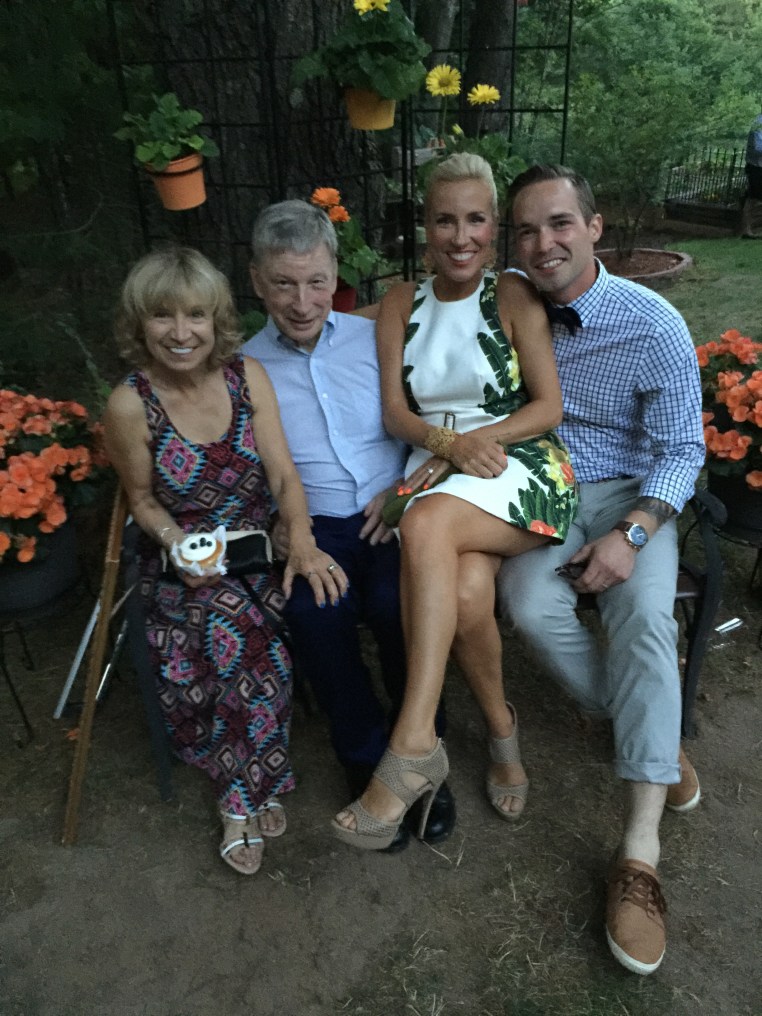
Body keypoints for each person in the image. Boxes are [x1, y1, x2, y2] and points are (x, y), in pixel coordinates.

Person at [332, 153, 578, 850]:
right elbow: (395, 415)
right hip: (437, 466)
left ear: (494, 226)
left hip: (517, 462)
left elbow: (548, 407)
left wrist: (469, 448)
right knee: (468, 595)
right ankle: (502, 733)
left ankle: (412, 742)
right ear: (425, 226)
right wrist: (444, 448)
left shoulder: (513, 296)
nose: (461, 236)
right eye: (445, 220)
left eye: (475, 220)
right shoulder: (399, 303)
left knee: (425, 524)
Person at [498, 164, 706, 976]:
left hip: (630, 492)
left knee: (646, 616)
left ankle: (640, 855)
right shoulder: (510, 308)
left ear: (594, 227)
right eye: (526, 229)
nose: (542, 243)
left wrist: (631, 533)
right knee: (525, 601)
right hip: (546, 489)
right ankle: (649, 733)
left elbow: (683, 448)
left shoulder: (651, 323)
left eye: (559, 223)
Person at [104, 246, 344, 876]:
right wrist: (174, 543)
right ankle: (245, 794)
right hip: (184, 562)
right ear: (140, 324)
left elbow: (283, 475)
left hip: (258, 546)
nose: (180, 332)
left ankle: (254, 775)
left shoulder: (245, 377)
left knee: (273, 616)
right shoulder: (131, 403)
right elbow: (141, 500)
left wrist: (300, 536)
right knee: (230, 629)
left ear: (216, 320)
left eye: (195, 315)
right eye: (162, 316)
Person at [242, 200, 456, 852]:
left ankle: (421, 750)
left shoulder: (373, 340)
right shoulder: (245, 369)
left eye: (316, 282)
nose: (302, 301)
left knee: (402, 604)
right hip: (316, 528)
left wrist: (404, 492)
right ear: (256, 282)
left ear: (335, 275)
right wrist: (279, 525)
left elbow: (432, 423)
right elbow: (246, 470)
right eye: (283, 283)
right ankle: (365, 757)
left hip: (395, 512)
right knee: (316, 614)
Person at [740, 113, 762, 239]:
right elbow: (758, 148)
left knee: (754, 197)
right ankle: (746, 229)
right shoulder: (759, 123)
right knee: (753, 198)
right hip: (757, 167)